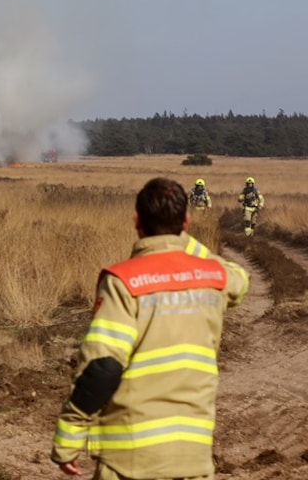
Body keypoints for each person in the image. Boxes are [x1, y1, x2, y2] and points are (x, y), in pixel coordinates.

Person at [51, 177, 250, 479]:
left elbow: (103, 367)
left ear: (136, 220)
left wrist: (69, 438)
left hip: (129, 461)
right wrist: (184, 243)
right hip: (193, 459)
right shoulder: (215, 276)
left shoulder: (122, 282)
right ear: (186, 221)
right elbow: (240, 279)